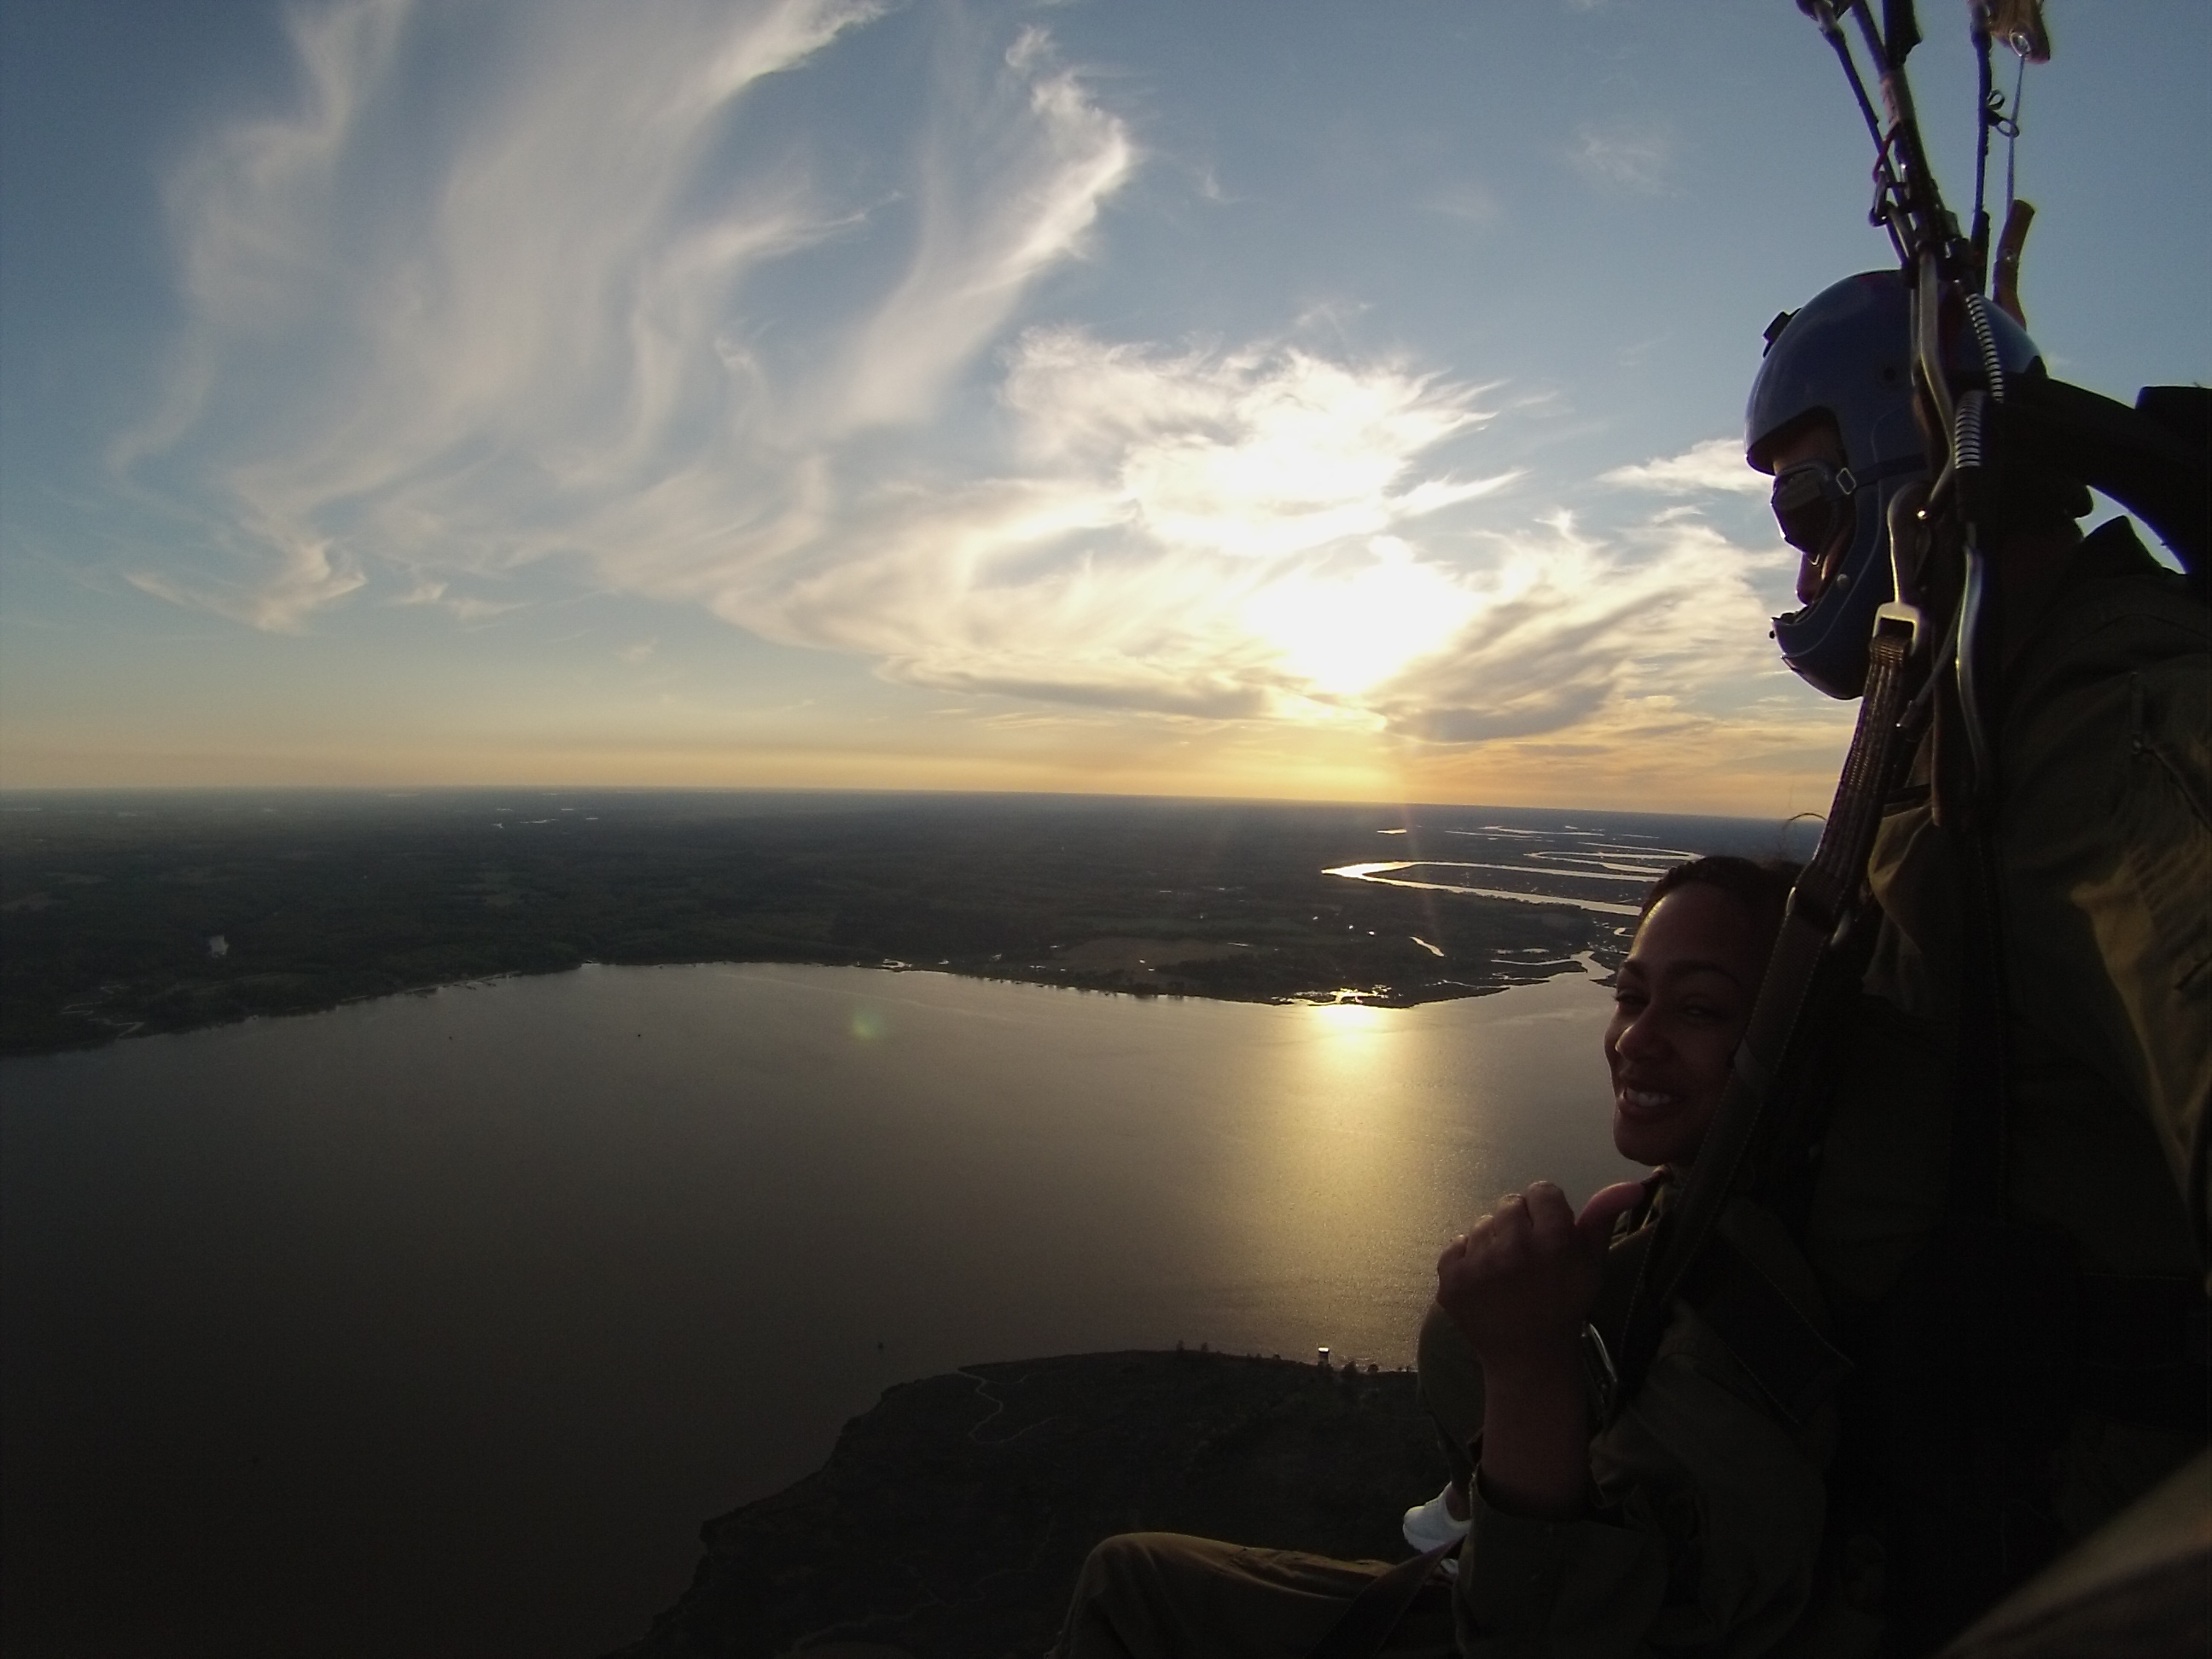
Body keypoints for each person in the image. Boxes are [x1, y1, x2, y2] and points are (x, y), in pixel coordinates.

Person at [1742, 270, 2211, 1650]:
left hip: (2060, 1548)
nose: (1801, 558)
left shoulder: (2108, 734)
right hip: (1935, 1521)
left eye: (1803, 504)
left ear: (1901, 458)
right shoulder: (1967, 730)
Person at [1051, 857, 1821, 1658]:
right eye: (1630, 996)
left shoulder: (1746, 1333)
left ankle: (1476, 1524)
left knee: (1127, 1589)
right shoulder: (1678, 1223)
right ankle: (1473, 1511)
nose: (1636, 1038)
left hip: (1521, 1618)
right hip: (1540, 1579)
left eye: (1697, 1009)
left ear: (1787, 1041)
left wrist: (1530, 1361)